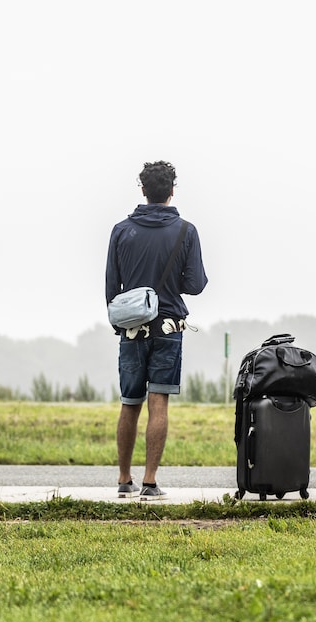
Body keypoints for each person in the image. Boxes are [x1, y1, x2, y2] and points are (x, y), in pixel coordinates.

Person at [105, 161, 208, 500]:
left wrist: (123, 320)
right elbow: (195, 284)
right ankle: (150, 482)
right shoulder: (185, 231)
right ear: (172, 191)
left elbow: (111, 287)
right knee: (158, 402)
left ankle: (123, 479)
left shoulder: (121, 230)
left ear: (143, 191)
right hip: (168, 326)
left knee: (129, 402)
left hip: (131, 329)